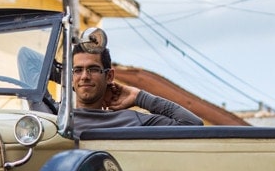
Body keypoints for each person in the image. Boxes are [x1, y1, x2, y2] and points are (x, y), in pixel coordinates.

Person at [71, 42, 203, 137]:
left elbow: (192, 124)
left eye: (93, 69)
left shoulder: (128, 121)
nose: (84, 77)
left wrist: (138, 97)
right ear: (70, 77)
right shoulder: (55, 117)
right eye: (78, 70)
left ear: (109, 76)